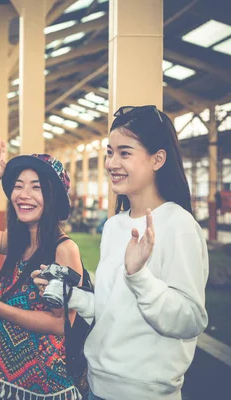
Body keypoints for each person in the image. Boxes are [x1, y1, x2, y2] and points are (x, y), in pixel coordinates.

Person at [34, 105, 209, 400]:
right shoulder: (114, 226)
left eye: (125, 153)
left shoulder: (179, 225)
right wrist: (70, 296)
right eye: (109, 152)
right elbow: (110, 309)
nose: (112, 162)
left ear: (158, 159)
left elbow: (191, 320)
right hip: (97, 387)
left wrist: (139, 276)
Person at [0, 137, 85, 399]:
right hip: (15, 382)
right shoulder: (17, 242)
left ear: (53, 199)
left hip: (48, 385)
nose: (24, 195)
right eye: (18, 186)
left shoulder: (63, 250)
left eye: (36, 188)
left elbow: (61, 324)